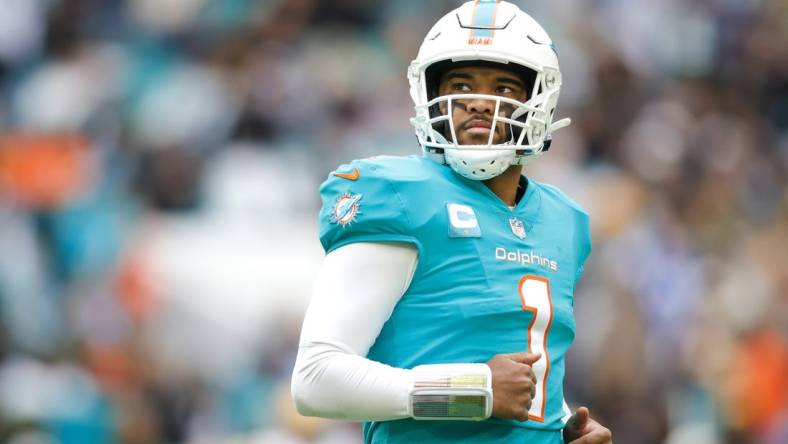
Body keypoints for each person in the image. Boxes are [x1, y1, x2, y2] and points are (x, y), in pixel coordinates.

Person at [291, 1, 613, 443]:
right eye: (461, 84)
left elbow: (522, 377)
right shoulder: (400, 194)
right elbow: (315, 378)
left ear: (538, 100)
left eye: (503, 87)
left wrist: (559, 430)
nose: (480, 101)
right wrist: (472, 390)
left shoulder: (564, 220)